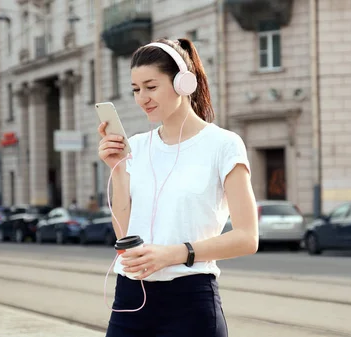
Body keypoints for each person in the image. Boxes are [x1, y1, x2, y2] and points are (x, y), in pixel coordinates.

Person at [97, 38, 259, 337]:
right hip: (130, 298)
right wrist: (118, 171)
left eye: (151, 86)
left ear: (183, 83)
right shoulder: (137, 147)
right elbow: (124, 236)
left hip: (190, 300)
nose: (142, 98)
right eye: (135, 89)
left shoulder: (223, 145)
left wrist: (174, 254)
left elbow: (247, 238)